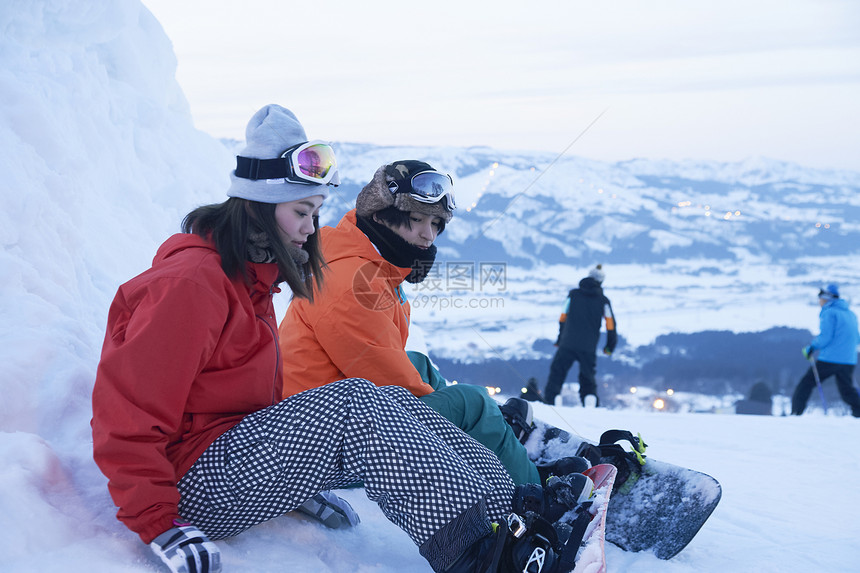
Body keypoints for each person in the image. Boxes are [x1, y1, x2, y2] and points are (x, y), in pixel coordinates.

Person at [91, 104, 590, 573]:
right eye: (302, 213)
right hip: (187, 485)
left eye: (315, 213)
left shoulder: (249, 280)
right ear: (260, 207)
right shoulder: (191, 286)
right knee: (359, 401)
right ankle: (483, 553)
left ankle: (512, 511)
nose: (311, 230)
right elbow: (127, 419)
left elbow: (239, 403)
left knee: (388, 399)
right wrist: (161, 523)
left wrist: (295, 480)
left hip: (227, 459)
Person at [278, 160, 549, 486]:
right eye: (417, 219)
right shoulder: (352, 282)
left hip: (325, 412)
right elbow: (399, 392)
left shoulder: (367, 263)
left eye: (436, 223)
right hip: (320, 447)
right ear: (380, 215)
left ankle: (495, 438)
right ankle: (536, 491)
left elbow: (388, 368)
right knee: (470, 402)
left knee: (417, 364)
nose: (428, 234)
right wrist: (468, 411)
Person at [537, 265, 617, 407]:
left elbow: (562, 318)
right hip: (588, 347)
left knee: (557, 373)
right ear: (601, 281)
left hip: (567, 343)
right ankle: (589, 400)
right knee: (587, 377)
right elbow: (611, 325)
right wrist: (610, 346)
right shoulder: (603, 301)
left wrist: (560, 339)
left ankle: (553, 399)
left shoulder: (573, 295)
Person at [791, 283, 860, 417]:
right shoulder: (851, 314)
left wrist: (811, 348)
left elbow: (826, 337)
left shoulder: (829, 312)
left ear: (827, 298)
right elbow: (857, 338)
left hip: (830, 358)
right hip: (849, 360)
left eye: (821, 298)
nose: (819, 301)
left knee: (806, 384)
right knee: (847, 391)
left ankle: (795, 413)